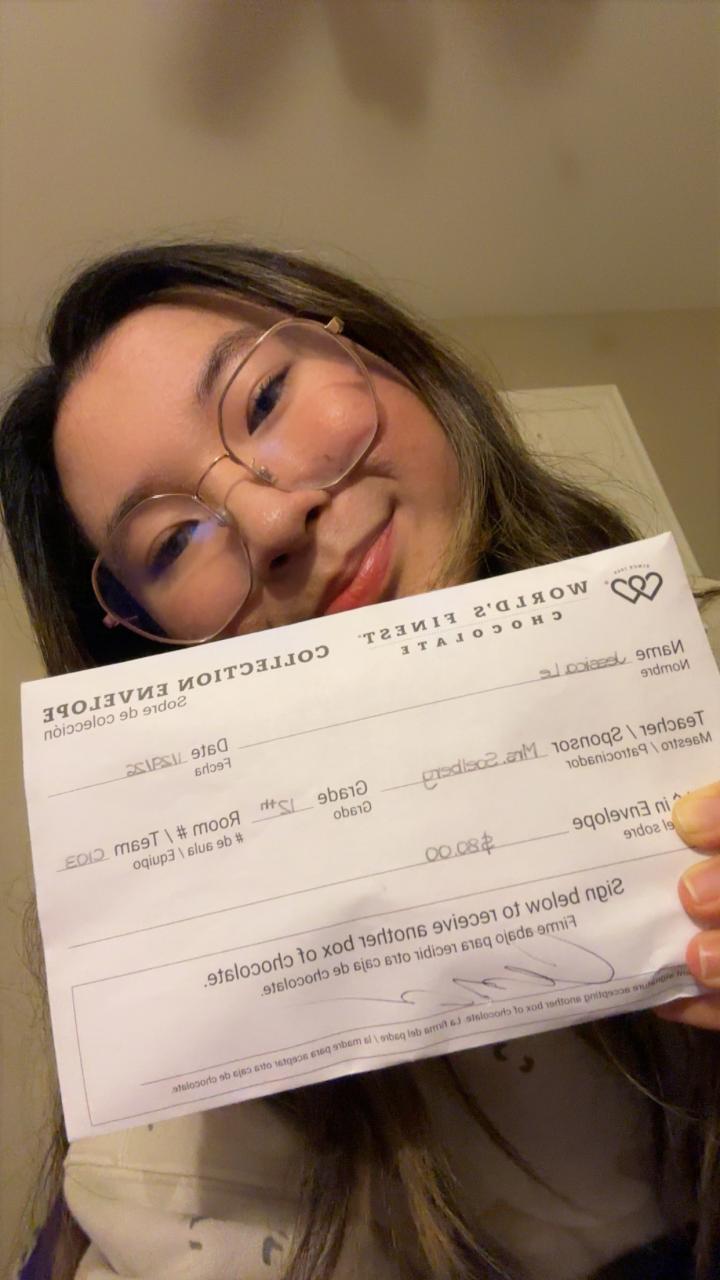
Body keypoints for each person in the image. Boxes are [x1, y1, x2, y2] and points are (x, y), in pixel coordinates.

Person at [1, 243, 719, 1280]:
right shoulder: (169, 1154)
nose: (271, 518)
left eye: (265, 397)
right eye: (170, 545)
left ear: (386, 355)